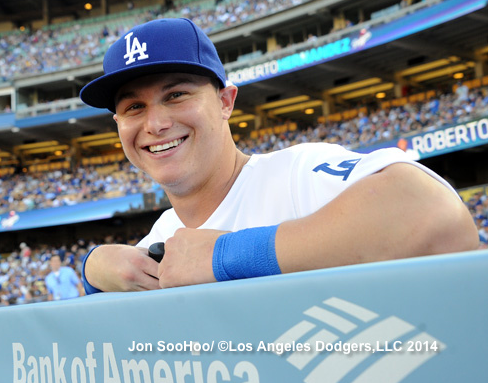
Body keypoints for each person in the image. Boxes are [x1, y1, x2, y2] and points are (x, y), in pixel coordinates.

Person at [78, 17, 478, 292]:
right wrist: (91, 270)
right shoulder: (159, 240)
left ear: (225, 102)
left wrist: (225, 256)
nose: (156, 123)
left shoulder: (295, 174)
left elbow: (434, 213)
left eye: (176, 95)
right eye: (134, 108)